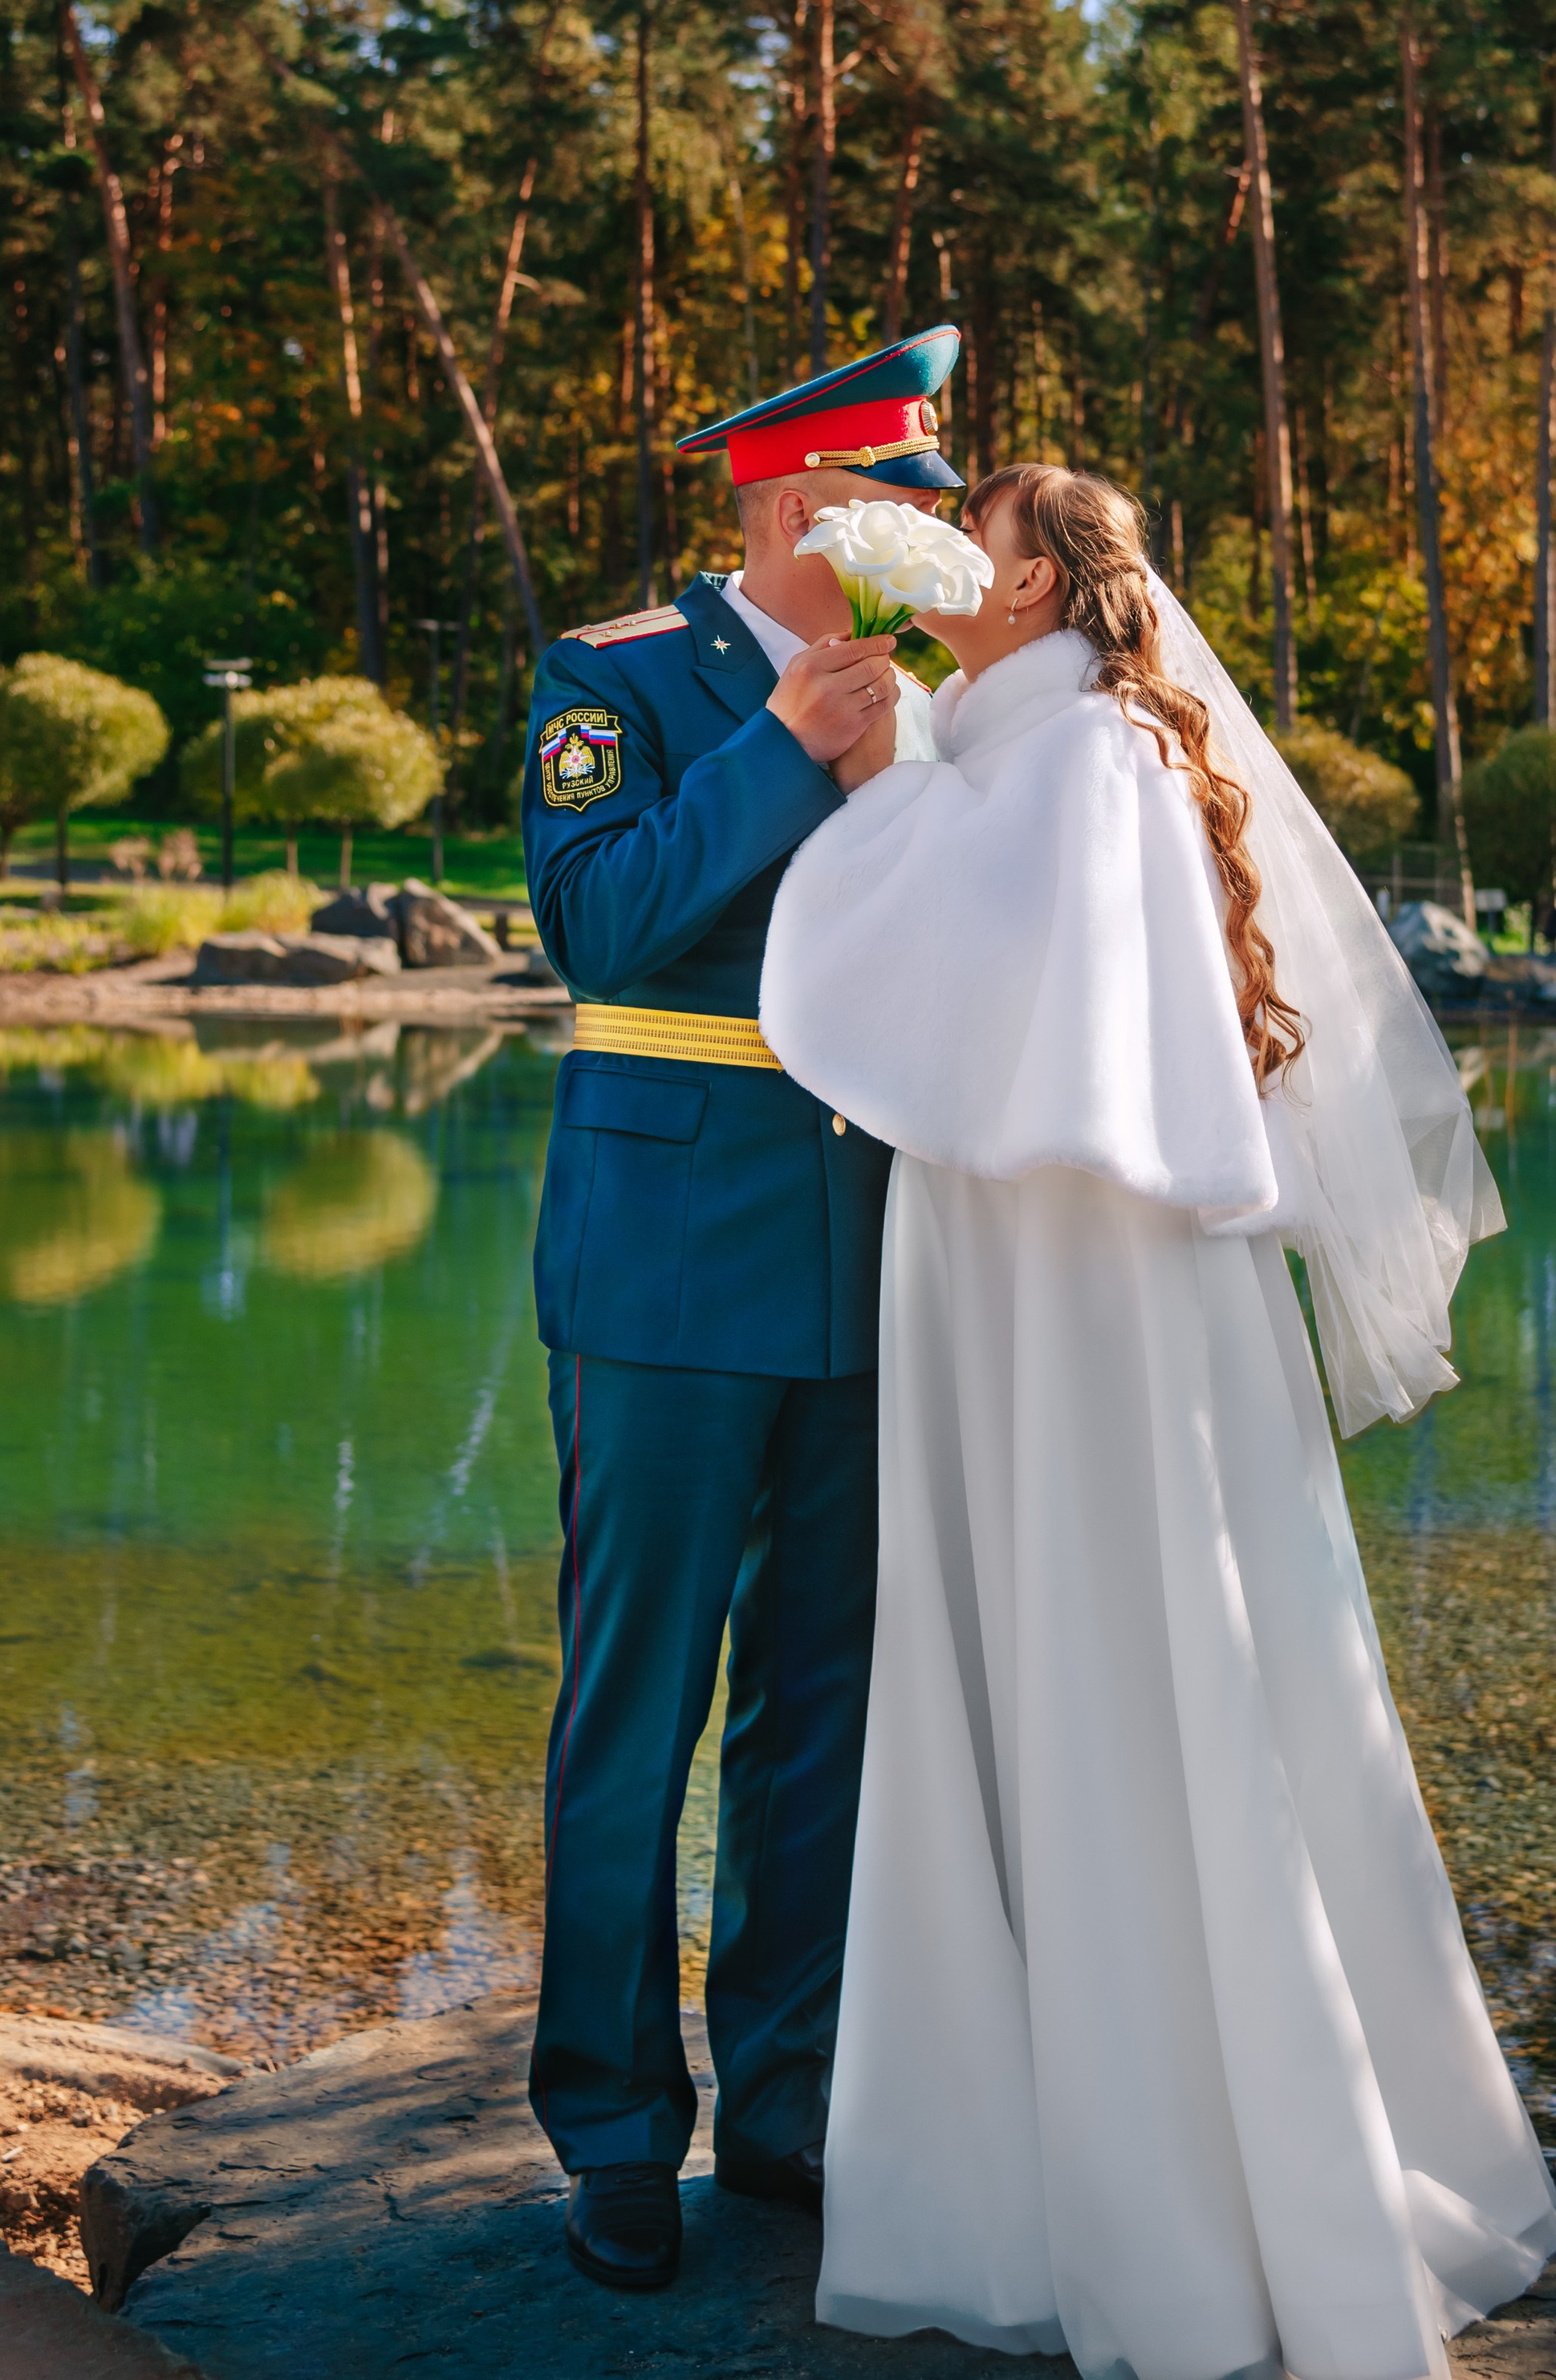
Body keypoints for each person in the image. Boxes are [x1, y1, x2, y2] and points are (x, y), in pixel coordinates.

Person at [760, 463, 1556, 2380]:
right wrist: (900, 769)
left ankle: (1177, 2198)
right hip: (1033, 1266)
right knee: (1040, 1652)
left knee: (1119, 1659)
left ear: (1033, 580)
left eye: (974, 538)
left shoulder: (1090, 755)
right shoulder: (1032, 740)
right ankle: (1043, 2141)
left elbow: (954, 959)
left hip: (1082, 1291)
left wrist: (874, 786)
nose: (941, 559)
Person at [521, 328, 959, 2297]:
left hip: (872, 1251)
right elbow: (601, 923)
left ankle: (785, 2100)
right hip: (667, 1256)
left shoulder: (928, 696)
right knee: (637, 1711)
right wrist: (786, 749)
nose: (934, 533)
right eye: (905, 498)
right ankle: (613, 2125)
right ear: (800, 504)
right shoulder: (610, 675)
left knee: (821, 1713)